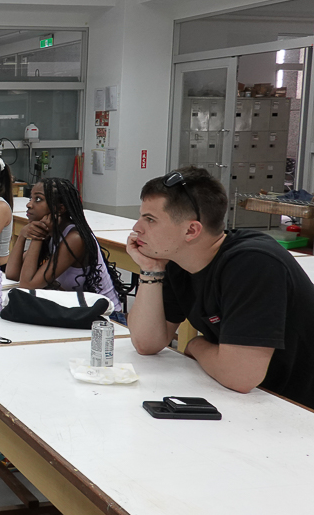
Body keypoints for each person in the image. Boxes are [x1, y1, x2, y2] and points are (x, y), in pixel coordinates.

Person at [127, 166, 314, 409]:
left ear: (191, 230)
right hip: (250, 400)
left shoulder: (252, 263)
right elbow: (146, 343)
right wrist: (151, 269)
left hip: (296, 408)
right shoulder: (178, 262)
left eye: (150, 219)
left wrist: (195, 344)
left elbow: (240, 376)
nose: (137, 228)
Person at [5, 177, 125, 317]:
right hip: (79, 310)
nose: (29, 204)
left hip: (106, 316)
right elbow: (12, 274)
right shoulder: (53, 231)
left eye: (38, 199)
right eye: (30, 198)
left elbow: (27, 286)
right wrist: (22, 236)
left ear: (60, 208)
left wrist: (37, 237)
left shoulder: (75, 239)